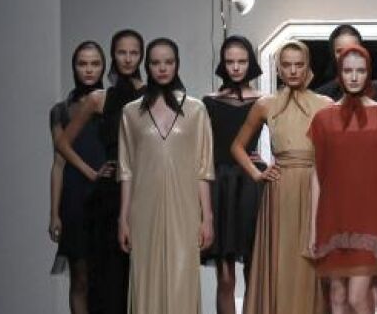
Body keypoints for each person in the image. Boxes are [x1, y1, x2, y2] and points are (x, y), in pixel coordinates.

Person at [117, 38, 214, 314]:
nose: (162, 68)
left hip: (185, 208)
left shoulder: (196, 109)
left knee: (182, 278)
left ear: (177, 65)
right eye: (156, 63)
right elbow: (126, 169)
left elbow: (204, 168)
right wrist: (123, 218)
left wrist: (207, 217)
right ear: (147, 66)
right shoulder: (131, 112)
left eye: (168, 62)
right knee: (145, 277)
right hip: (143, 209)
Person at [234, 39, 332, 314]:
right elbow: (238, 146)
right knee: (282, 257)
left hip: (315, 186)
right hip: (279, 189)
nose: (293, 71)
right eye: (287, 65)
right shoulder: (265, 104)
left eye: (299, 65)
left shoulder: (325, 104)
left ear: (308, 66)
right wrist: (257, 173)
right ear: (278, 69)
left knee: (309, 258)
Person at [309, 45, 377, 314]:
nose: (353, 77)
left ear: (368, 73)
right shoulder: (323, 118)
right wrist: (313, 228)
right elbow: (317, 174)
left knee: (357, 297)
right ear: (339, 73)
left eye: (360, 71)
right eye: (348, 70)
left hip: (372, 219)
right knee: (337, 297)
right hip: (334, 218)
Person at [56, 29, 145, 314]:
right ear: (113, 56)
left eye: (133, 52)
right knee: (106, 278)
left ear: (141, 56)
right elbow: (62, 143)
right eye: (121, 52)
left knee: (139, 278)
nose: (127, 58)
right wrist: (92, 172)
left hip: (144, 192)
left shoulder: (151, 96)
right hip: (108, 197)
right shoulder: (99, 98)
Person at [201, 36, 264, 314]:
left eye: (242, 61)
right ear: (222, 64)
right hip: (220, 186)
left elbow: (284, 140)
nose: (236, 67)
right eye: (230, 62)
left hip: (251, 183)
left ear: (251, 63)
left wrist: (266, 162)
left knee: (254, 272)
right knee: (225, 279)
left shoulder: (263, 100)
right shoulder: (209, 101)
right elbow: (202, 148)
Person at [49, 40, 107, 314]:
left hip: (107, 196)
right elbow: (58, 163)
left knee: (106, 278)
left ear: (103, 67)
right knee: (80, 277)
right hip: (75, 197)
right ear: (74, 67)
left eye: (95, 64)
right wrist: (54, 214)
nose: (89, 70)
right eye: (82, 64)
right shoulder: (61, 111)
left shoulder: (112, 105)